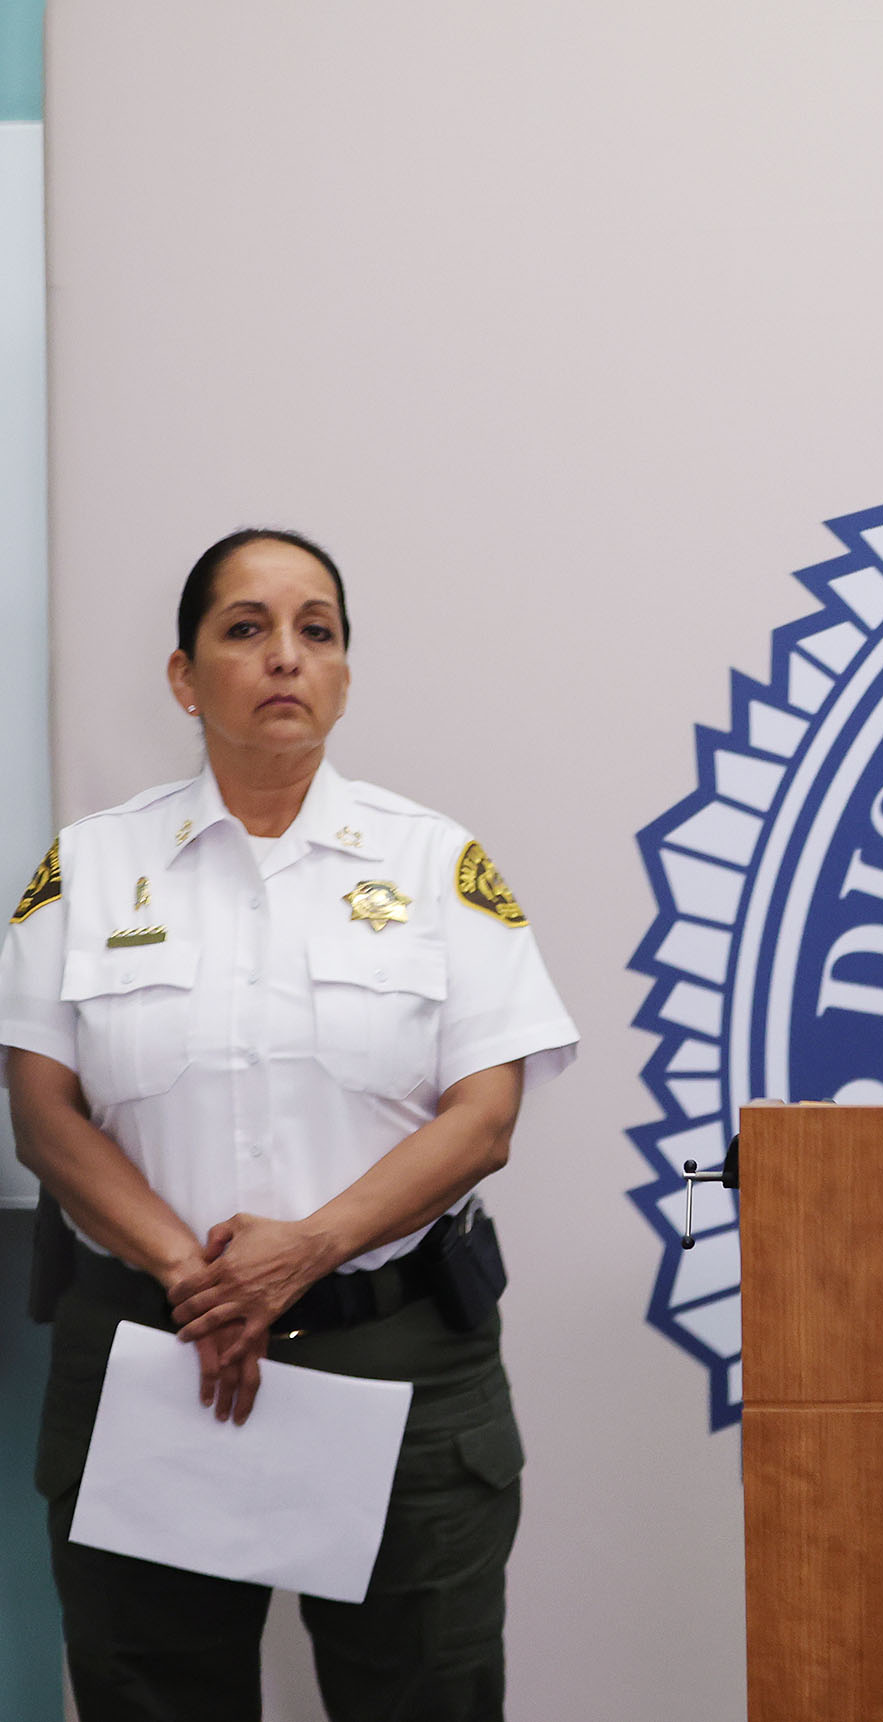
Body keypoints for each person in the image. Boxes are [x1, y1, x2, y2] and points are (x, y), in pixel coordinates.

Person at [1, 528, 578, 1721]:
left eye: (317, 631)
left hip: (395, 1359)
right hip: (157, 1350)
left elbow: (484, 1119)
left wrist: (305, 1248)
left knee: (425, 1697)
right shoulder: (94, 868)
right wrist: (194, 1274)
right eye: (246, 628)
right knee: (153, 1697)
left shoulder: (435, 863)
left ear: (346, 676)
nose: (285, 657)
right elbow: (43, 1113)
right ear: (184, 674)